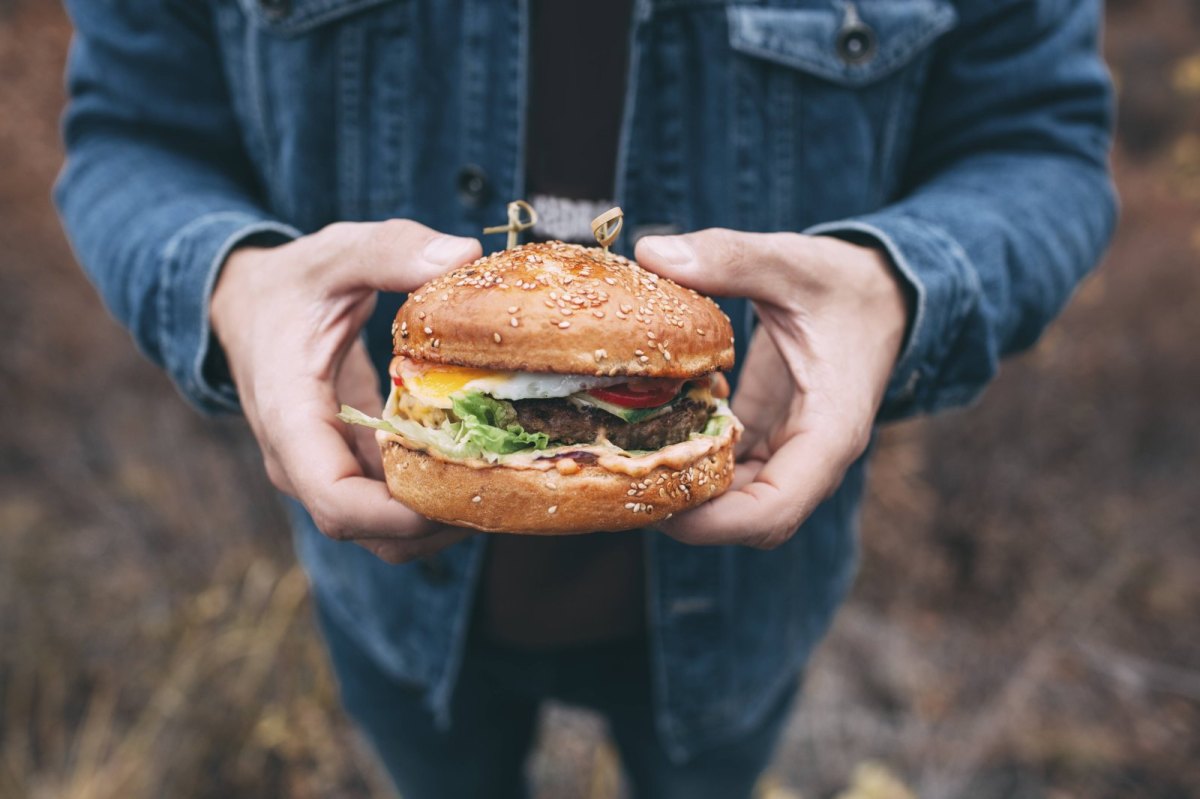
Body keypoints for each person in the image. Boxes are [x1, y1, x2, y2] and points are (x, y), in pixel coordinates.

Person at [55, 1, 1116, 797]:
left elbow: (1042, 145)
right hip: (390, 601)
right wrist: (231, 283)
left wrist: (898, 282)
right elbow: (131, 132)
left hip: (747, 600)